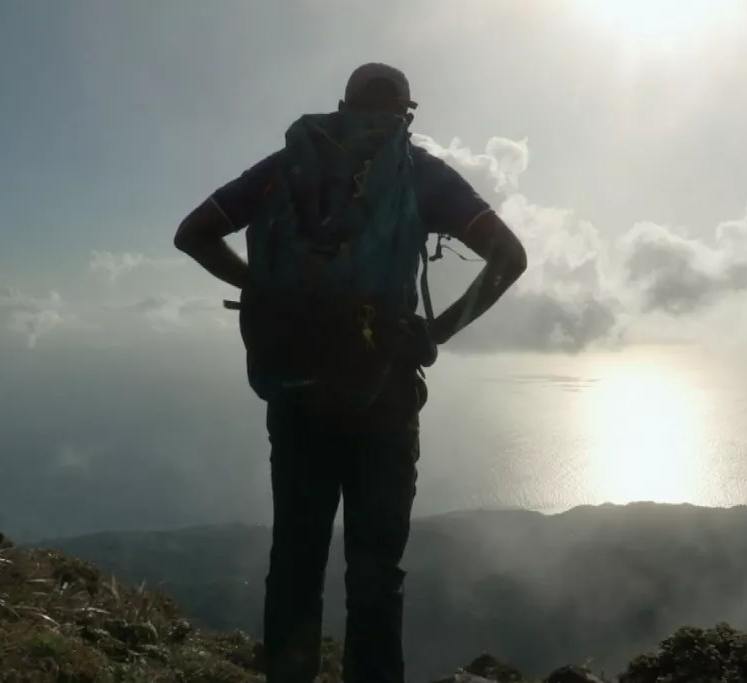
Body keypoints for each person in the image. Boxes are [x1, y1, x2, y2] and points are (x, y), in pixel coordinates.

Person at [172, 62, 527, 683]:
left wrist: (263, 287)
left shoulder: (285, 166)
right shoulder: (420, 173)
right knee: (376, 577)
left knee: (295, 562)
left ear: (342, 104)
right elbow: (510, 256)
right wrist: (435, 333)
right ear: (406, 113)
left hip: (296, 391)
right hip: (383, 398)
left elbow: (193, 234)